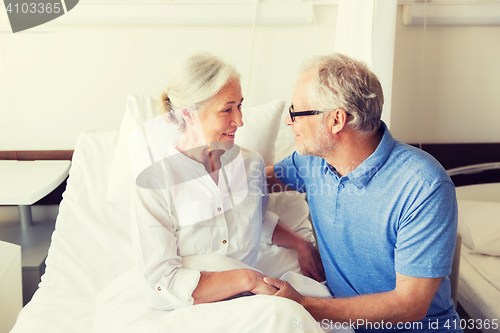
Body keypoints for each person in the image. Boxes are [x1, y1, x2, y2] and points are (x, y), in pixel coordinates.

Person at [264, 53, 462, 332]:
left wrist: (302, 304)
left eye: (296, 111)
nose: (288, 121)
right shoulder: (313, 161)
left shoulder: (423, 186)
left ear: (336, 121)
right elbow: (259, 183)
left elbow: (410, 305)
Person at [130, 51, 324, 311]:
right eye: (227, 109)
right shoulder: (154, 184)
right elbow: (159, 285)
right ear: (188, 114)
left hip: (250, 299)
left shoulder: (250, 164)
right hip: (189, 308)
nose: (240, 121)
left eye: (240, 106)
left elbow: (255, 219)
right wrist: (245, 279)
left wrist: (302, 244)